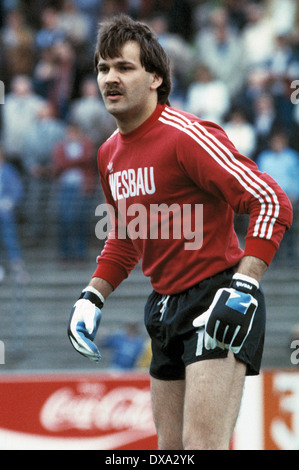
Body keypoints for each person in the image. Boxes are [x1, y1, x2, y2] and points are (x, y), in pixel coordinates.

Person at [68, 15, 293, 450]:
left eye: (124, 67)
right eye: (102, 68)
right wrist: (93, 294)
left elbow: (270, 200)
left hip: (220, 298)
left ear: (155, 77)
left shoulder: (186, 136)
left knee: (201, 448)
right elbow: (126, 235)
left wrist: (244, 287)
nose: (110, 78)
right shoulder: (108, 154)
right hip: (162, 307)